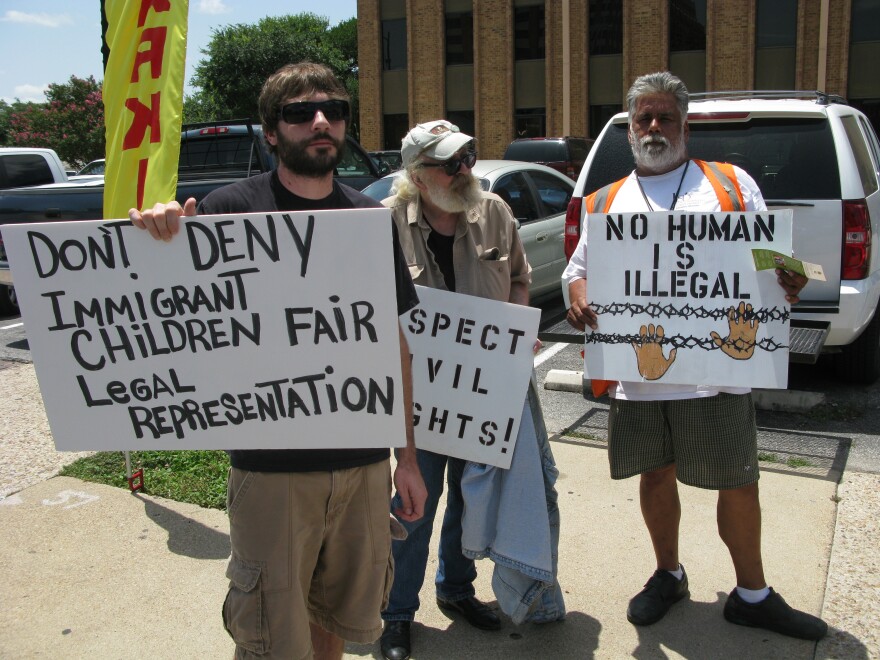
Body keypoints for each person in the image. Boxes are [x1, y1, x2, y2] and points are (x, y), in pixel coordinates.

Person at [130, 62, 428, 660]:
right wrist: (157, 238)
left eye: (334, 110)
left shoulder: (369, 222)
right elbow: (165, 313)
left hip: (363, 469)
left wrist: (408, 459)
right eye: (299, 113)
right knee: (270, 638)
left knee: (335, 624)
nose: (320, 121)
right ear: (272, 132)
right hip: (272, 474)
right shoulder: (226, 211)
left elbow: (392, 346)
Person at [562, 71, 827, 641]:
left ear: (685, 124)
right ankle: (668, 574)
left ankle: (752, 593)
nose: (655, 127)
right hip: (639, 376)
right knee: (655, 475)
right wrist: (579, 297)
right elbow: (578, 272)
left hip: (718, 373)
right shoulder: (605, 200)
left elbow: (775, 258)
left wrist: (791, 277)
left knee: (738, 479)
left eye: (665, 117)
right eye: (644, 118)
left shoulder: (730, 184)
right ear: (631, 129)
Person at [378, 120, 564, 660]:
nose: (464, 170)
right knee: (414, 502)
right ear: (416, 174)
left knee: (470, 494)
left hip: (485, 389)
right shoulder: (385, 224)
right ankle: (395, 612)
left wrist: (515, 327)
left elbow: (521, 280)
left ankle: (457, 591)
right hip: (418, 396)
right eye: (448, 162)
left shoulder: (496, 213)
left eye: (467, 157)